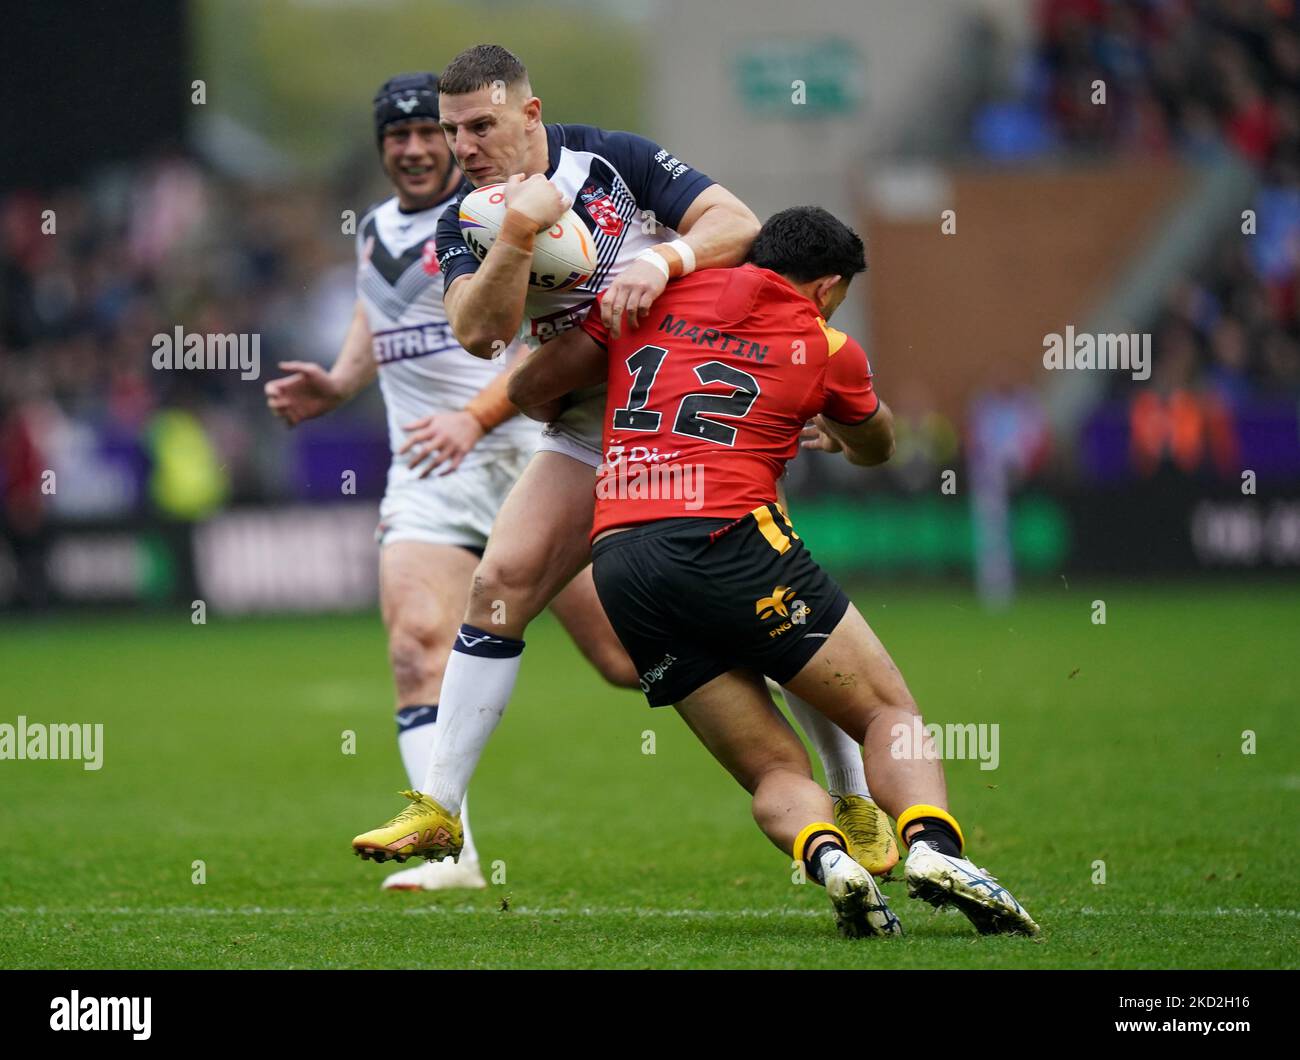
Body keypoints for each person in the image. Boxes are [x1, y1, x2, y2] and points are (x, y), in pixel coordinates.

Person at [350, 46, 899, 878]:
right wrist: (519, 234)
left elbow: (736, 223)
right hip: (581, 428)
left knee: (762, 618)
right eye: (452, 129)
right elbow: (478, 331)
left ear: (529, 115)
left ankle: (852, 796)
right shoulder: (466, 219)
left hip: (690, 424)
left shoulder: (616, 158)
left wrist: (660, 259)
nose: (463, 145)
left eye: (480, 125)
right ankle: (441, 813)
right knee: (502, 584)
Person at [504, 205, 1040, 937]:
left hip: (622, 558)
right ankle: (934, 849)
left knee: (771, 770)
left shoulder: (648, 296)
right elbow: (878, 446)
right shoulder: (826, 343)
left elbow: (529, 390)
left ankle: (830, 862)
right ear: (827, 287)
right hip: (728, 539)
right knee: (888, 712)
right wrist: (838, 429)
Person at [266, 72, 637, 891]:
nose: (415, 148)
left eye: (429, 134)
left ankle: (793, 720)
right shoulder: (372, 231)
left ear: (458, 140)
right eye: (396, 137)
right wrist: (337, 381)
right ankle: (453, 853)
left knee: (624, 657)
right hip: (427, 474)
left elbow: (530, 335)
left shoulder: (502, 216)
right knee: (412, 650)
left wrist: (484, 411)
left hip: (524, 458)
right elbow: (378, 314)